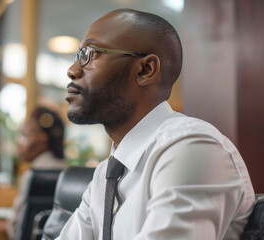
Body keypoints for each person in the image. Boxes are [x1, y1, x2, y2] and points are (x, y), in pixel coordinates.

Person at [58, 8, 255, 240]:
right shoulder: (106, 174)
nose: (72, 70)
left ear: (145, 69)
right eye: (77, 56)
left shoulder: (190, 148)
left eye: (90, 54)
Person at [0, 106, 66, 239]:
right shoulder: (67, 173)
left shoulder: (33, 176)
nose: (18, 142)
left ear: (42, 138)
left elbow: (19, 230)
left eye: (24, 135)